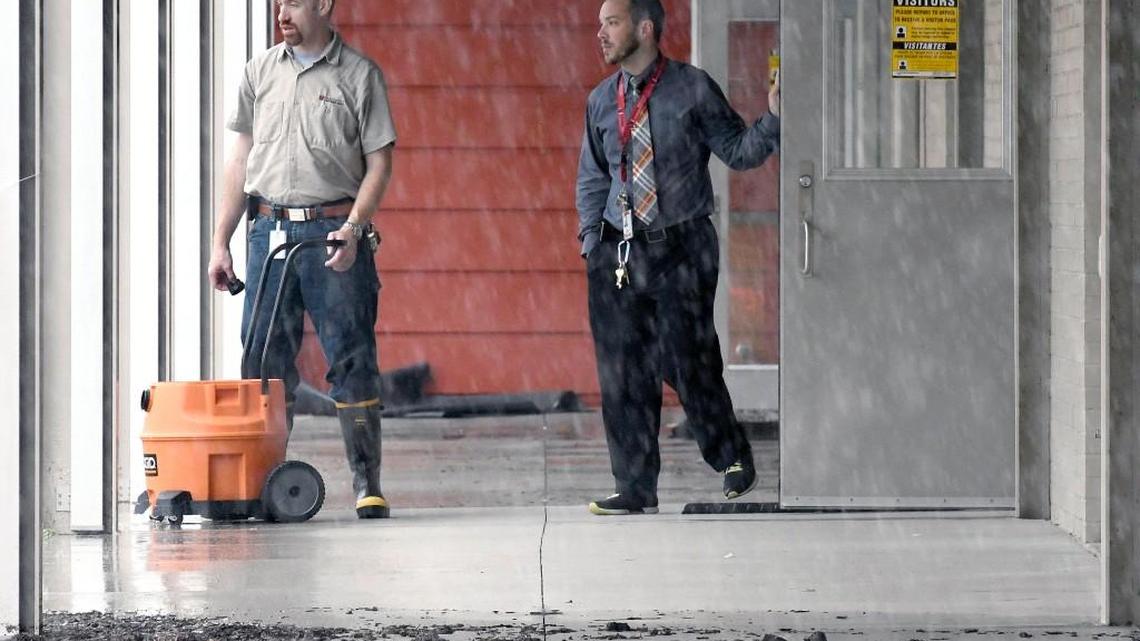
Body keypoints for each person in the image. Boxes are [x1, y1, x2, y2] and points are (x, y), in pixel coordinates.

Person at [576, 0, 781, 515]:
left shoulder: (692, 88)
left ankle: (731, 456)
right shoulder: (602, 101)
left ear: (645, 29)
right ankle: (635, 485)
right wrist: (590, 243)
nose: (599, 33)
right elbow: (593, 177)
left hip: (682, 248)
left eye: (612, 23)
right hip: (617, 252)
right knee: (623, 373)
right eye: (600, 24)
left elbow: (738, 150)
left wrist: (775, 117)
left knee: (691, 360)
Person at [207, 0, 396, 519]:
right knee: (262, 363)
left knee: (351, 357)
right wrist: (221, 239)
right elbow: (239, 162)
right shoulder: (259, 72)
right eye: (277, 4)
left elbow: (379, 163)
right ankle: (266, 479)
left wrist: (354, 229)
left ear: (324, 5)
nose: (281, 12)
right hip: (267, 230)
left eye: (292, 3)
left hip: (334, 231)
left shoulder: (360, 75)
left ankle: (367, 483)